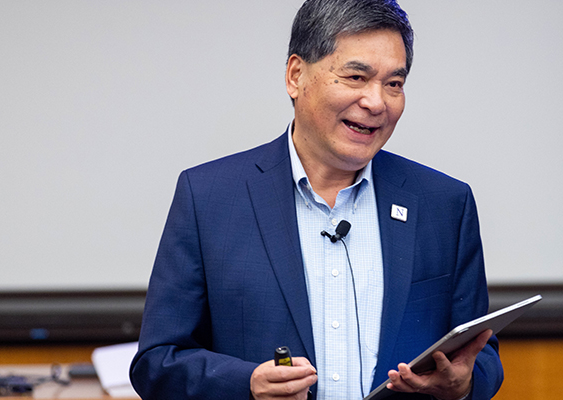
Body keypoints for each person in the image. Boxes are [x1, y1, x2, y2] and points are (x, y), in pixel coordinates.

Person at [130, 1, 502, 399]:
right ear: (295, 76)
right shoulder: (209, 198)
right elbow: (158, 362)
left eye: (394, 83)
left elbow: (481, 357)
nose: (377, 102)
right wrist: (246, 385)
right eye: (356, 76)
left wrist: (464, 383)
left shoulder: (443, 204)